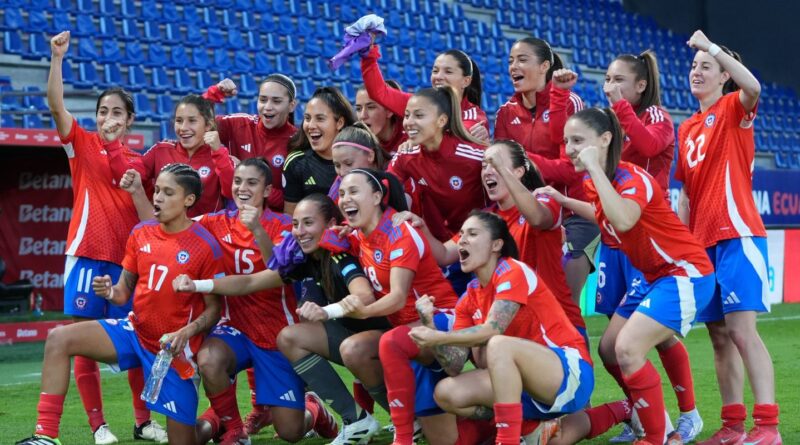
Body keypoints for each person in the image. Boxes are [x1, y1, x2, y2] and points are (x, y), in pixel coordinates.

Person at [16, 164, 225, 445]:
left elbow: (215, 309)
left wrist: (186, 333)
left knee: (185, 440)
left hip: (173, 352)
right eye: (157, 191)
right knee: (58, 339)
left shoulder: (205, 245)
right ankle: (45, 434)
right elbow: (123, 292)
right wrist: (109, 291)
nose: (158, 198)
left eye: (168, 192)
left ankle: (213, 423)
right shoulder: (141, 232)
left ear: (188, 200)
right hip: (134, 333)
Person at [175, 194, 389, 444]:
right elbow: (251, 281)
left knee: (350, 349)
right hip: (354, 338)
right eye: (296, 224)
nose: (299, 231)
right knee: (291, 339)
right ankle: (357, 420)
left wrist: (327, 311)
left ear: (331, 223)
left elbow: (363, 296)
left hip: (380, 340)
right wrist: (197, 285)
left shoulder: (341, 253)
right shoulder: (305, 260)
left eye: (308, 223)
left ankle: (407, 418)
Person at [560, 107, 715, 445]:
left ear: (605, 140)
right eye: (566, 141)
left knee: (628, 348)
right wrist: (562, 199)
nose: (570, 148)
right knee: (609, 350)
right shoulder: (592, 181)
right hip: (652, 276)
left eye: (578, 140)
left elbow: (625, 218)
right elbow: (603, 211)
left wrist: (593, 171)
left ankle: (668, 430)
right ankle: (651, 419)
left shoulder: (632, 178)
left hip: (684, 271)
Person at [44, 30, 165, 444]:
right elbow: (56, 106)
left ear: (130, 121)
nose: (107, 117)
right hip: (86, 255)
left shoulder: (142, 164)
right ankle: (98, 426)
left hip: (128, 263)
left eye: (116, 112)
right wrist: (57, 59)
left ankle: (142, 420)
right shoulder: (80, 143)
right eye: (102, 111)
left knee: (136, 339)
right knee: (80, 337)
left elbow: (149, 217)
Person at [168, 161, 338, 444]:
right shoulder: (214, 222)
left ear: (268, 190)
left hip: (277, 334)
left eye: (251, 183)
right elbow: (175, 224)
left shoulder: (286, 226)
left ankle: (314, 410)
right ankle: (233, 429)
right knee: (209, 359)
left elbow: (279, 269)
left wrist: (257, 228)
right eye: (237, 181)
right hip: (235, 327)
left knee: (290, 432)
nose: (242, 188)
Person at [406, 211, 593, 445]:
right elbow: (454, 366)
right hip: (521, 388)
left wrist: (436, 337)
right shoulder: (468, 297)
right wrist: (429, 323)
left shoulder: (512, 270)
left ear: (497, 244)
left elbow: (493, 329)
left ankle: (508, 438)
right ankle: (527, 426)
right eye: (461, 234)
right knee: (446, 393)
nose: (462, 240)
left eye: (472, 234)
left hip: (568, 373)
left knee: (496, 344)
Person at [594, 50, 703, 443]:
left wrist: (620, 108)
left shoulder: (653, 115)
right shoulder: (608, 122)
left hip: (646, 243)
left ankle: (688, 416)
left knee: (656, 336)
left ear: (640, 85)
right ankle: (646, 418)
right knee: (612, 348)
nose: (611, 86)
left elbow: (650, 144)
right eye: (608, 78)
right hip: (612, 243)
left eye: (619, 80)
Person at [678, 31, 780, 445]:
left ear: (724, 77)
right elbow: (685, 195)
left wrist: (713, 46)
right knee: (719, 337)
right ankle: (734, 427)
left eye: (706, 66)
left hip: (737, 234)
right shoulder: (685, 128)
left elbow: (753, 86)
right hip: (703, 244)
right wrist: (684, 249)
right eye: (694, 65)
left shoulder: (734, 107)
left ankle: (768, 427)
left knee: (742, 332)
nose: (696, 71)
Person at [393, 140, 585, 337]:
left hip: (557, 326)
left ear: (519, 171)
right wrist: (421, 227)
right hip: (516, 328)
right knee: (483, 353)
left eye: (496, 163)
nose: (488, 171)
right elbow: (443, 255)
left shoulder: (544, 199)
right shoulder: (485, 219)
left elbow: (537, 219)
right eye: (484, 166)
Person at [336, 168, 460, 445]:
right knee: (354, 349)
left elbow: (399, 298)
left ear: (378, 196)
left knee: (390, 343)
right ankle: (426, 400)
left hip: (440, 318)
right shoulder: (358, 235)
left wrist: (364, 311)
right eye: (342, 193)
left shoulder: (400, 232)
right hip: (408, 333)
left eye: (354, 191)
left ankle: (403, 437)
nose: (345, 199)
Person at [499, 61, 597, 309]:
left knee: (565, 303)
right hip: (534, 211)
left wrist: (523, 158)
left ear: (543, 66)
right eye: (511, 60)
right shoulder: (506, 112)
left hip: (574, 212)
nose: (513, 66)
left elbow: (571, 170)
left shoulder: (570, 101)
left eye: (523, 59)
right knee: (535, 300)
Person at [108, 95, 235, 218]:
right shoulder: (161, 150)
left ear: (208, 125)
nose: (183, 128)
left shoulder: (220, 155)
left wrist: (218, 152)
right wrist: (113, 144)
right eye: (179, 121)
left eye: (192, 121)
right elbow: (126, 177)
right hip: (167, 236)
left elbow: (231, 192)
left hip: (206, 236)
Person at [202, 74, 299, 212]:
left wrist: (249, 180)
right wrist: (213, 94)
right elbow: (198, 123)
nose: (268, 107)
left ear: (291, 106)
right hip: (236, 222)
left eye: (276, 101)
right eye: (263, 99)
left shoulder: (298, 141)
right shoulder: (238, 124)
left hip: (274, 226)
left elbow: (293, 200)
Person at [361, 41, 489, 141]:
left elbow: (453, 138)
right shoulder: (416, 104)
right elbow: (379, 92)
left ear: (466, 81)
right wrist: (368, 54)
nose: (438, 77)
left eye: (448, 72)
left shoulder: (474, 115)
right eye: (435, 71)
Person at [283, 86, 357, 214]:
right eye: (307, 118)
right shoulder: (296, 162)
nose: (311, 125)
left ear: (339, 123)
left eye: (320, 118)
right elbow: (290, 220)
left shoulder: (359, 157)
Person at [329, 122, 392, 201]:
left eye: (349, 164)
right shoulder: (339, 182)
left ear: (370, 156)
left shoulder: (391, 180)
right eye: (337, 165)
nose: (342, 173)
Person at [355, 82, 407, 155]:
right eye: (358, 109)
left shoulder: (412, 138)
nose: (362, 116)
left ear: (389, 111)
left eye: (371, 107)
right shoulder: (357, 143)